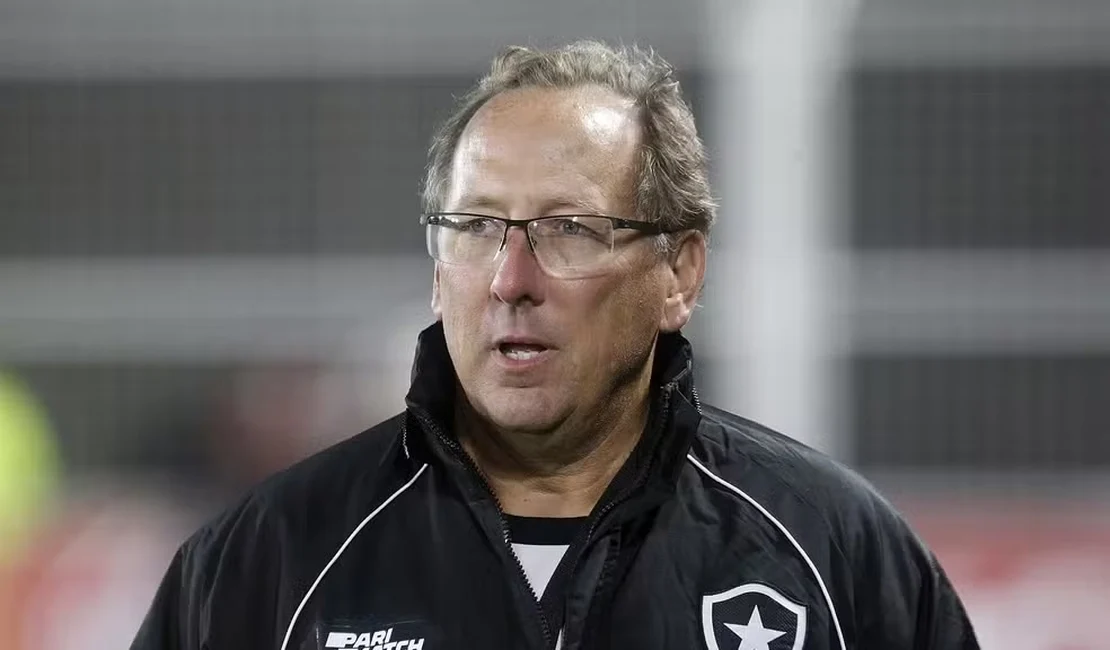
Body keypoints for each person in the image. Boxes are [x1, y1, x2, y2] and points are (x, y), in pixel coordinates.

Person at [131, 41, 979, 650]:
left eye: (570, 229)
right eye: (475, 227)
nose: (511, 279)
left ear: (679, 273)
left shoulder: (832, 551)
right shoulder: (272, 558)